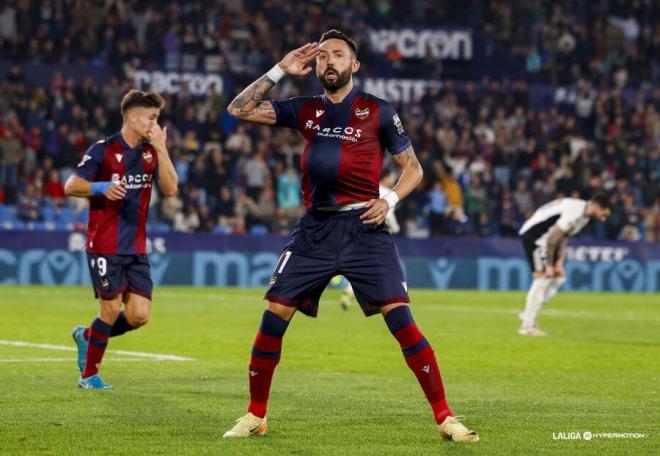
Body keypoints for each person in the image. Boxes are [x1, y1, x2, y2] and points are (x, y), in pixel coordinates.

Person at [223, 29, 478, 443]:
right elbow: (238, 108)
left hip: (366, 229)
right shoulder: (304, 109)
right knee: (273, 320)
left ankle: (446, 418)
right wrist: (279, 70)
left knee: (403, 322)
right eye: (322, 56)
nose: (329, 62)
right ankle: (255, 414)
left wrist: (391, 199)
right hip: (315, 231)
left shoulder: (377, 110)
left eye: (338, 55)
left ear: (354, 66)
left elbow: (412, 167)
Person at [64, 90, 178, 389]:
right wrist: (101, 187)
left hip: (136, 248)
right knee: (111, 309)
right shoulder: (103, 150)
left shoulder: (151, 151)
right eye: (152, 117)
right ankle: (89, 376)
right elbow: (71, 185)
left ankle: (88, 336)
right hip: (104, 245)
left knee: (139, 316)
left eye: (157, 118)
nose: (155, 123)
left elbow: (170, 189)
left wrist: (162, 148)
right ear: (132, 116)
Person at [518, 193, 612, 336]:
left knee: (559, 278)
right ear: (596, 206)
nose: (603, 219)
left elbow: (563, 238)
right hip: (535, 237)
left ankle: (528, 313)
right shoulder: (575, 211)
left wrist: (559, 264)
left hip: (547, 240)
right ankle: (527, 326)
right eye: (603, 214)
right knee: (542, 279)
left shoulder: (584, 218)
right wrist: (549, 265)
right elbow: (553, 237)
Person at [340, 172, 400, 310]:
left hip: (359, 231)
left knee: (360, 265)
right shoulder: (387, 193)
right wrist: (396, 227)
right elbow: (388, 215)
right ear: (386, 177)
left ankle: (350, 290)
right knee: (383, 267)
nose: (393, 179)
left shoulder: (370, 189)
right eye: (391, 177)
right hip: (378, 236)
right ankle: (383, 298)